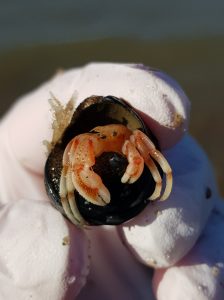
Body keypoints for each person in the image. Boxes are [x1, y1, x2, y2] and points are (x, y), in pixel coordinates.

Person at [0, 63, 223, 300]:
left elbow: (150, 155)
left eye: (111, 133)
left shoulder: (130, 138)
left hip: (131, 148)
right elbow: (72, 160)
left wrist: (162, 181)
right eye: (100, 135)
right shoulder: (85, 143)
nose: (107, 137)